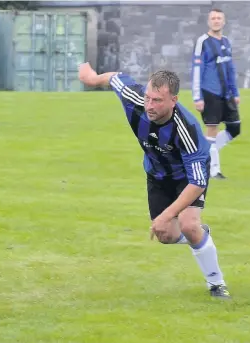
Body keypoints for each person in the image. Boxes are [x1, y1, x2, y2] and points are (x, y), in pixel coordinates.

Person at [78, 62, 231, 298]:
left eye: (157, 101)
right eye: (148, 98)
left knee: (189, 224)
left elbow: (197, 183)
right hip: (157, 174)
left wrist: (168, 214)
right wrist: (92, 77)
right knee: (166, 236)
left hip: (187, 178)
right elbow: (115, 78)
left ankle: (217, 284)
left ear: (174, 100)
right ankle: (201, 235)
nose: (149, 105)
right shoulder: (135, 98)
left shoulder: (187, 131)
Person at [191, 8, 241, 179]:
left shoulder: (226, 42)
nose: (216, 21)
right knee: (212, 129)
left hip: (227, 94)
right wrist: (197, 96)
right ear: (208, 22)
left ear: (224, 21)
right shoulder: (203, 42)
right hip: (210, 92)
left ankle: (204, 152)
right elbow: (197, 69)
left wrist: (235, 92)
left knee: (235, 128)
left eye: (219, 18)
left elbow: (230, 68)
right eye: (213, 18)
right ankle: (214, 170)